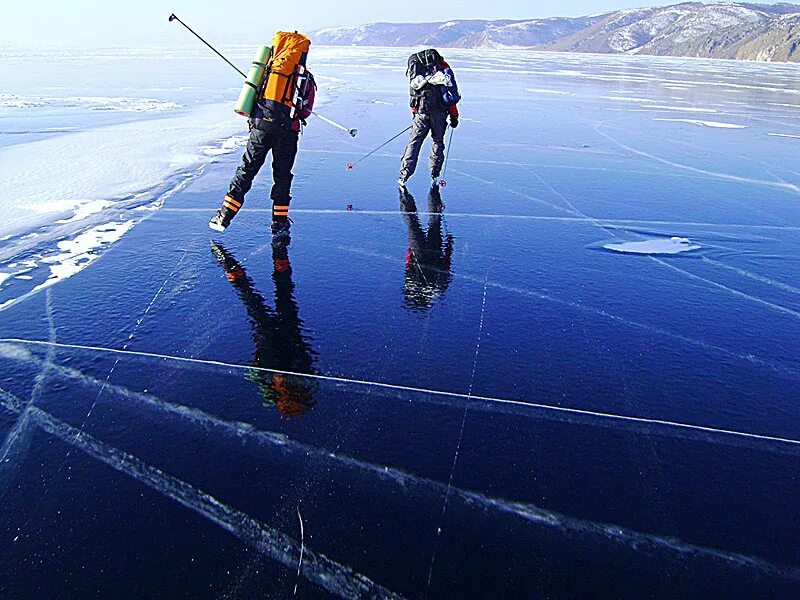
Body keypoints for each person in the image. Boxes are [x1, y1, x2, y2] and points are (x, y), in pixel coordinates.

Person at [210, 34, 315, 237]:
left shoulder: (266, 71)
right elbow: (305, 110)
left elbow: (250, 99)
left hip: (261, 129)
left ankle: (224, 216)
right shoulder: (305, 78)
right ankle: (279, 222)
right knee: (282, 176)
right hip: (287, 133)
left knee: (247, 170)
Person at [211, 240, 318, 418]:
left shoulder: (273, 385)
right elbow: (305, 358)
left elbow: (256, 369)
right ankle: (277, 256)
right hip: (287, 336)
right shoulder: (299, 381)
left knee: (258, 300)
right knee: (277, 295)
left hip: (274, 340)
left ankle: (235, 267)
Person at [399, 49, 460, 188]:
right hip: (439, 113)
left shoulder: (418, 72)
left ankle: (404, 175)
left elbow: (413, 95)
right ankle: (434, 173)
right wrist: (454, 116)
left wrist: (414, 112)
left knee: (414, 142)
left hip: (422, 111)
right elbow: (451, 95)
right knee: (437, 142)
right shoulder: (443, 68)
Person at [399, 186, 454, 311]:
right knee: (419, 223)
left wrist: (449, 246)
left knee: (425, 223)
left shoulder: (436, 288)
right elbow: (408, 265)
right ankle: (420, 193)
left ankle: (407, 195)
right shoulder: (436, 288)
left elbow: (409, 266)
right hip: (426, 251)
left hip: (426, 252)